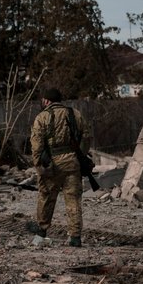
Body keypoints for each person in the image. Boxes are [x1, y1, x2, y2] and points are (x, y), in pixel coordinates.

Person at [28, 88, 91, 247]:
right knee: (73, 200)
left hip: (52, 164)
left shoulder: (42, 117)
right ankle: (75, 237)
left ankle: (41, 231)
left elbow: (36, 145)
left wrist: (39, 166)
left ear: (46, 101)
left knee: (47, 196)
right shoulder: (75, 114)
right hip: (72, 162)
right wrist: (80, 155)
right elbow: (87, 136)